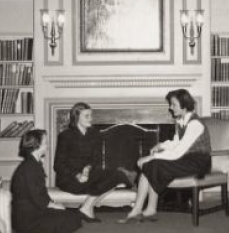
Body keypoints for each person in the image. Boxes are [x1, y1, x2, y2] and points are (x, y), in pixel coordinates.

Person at [118, 89, 211, 224]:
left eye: (173, 104)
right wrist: (161, 145)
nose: (170, 107)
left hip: (199, 161)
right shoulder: (182, 120)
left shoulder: (195, 124)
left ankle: (144, 209)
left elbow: (177, 152)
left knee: (152, 163)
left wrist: (151, 157)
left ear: (184, 105)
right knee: (151, 165)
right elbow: (176, 143)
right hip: (186, 158)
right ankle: (144, 209)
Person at [54, 102, 137, 223]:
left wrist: (86, 170)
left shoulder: (94, 134)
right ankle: (87, 209)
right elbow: (58, 165)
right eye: (87, 116)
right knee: (112, 178)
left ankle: (86, 208)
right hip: (69, 179)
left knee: (118, 176)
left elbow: (95, 159)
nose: (91, 119)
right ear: (76, 117)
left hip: (88, 175)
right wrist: (77, 175)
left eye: (91, 115)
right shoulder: (65, 136)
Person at [10, 129, 82, 233]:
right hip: (27, 219)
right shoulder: (30, 168)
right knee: (71, 220)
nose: (47, 147)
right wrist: (54, 206)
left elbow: (41, 193)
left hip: (32, 211)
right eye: (45, 143)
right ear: (36, 145)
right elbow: (38, 198)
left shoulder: (33, 164)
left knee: (71, 216)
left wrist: (53, 203)